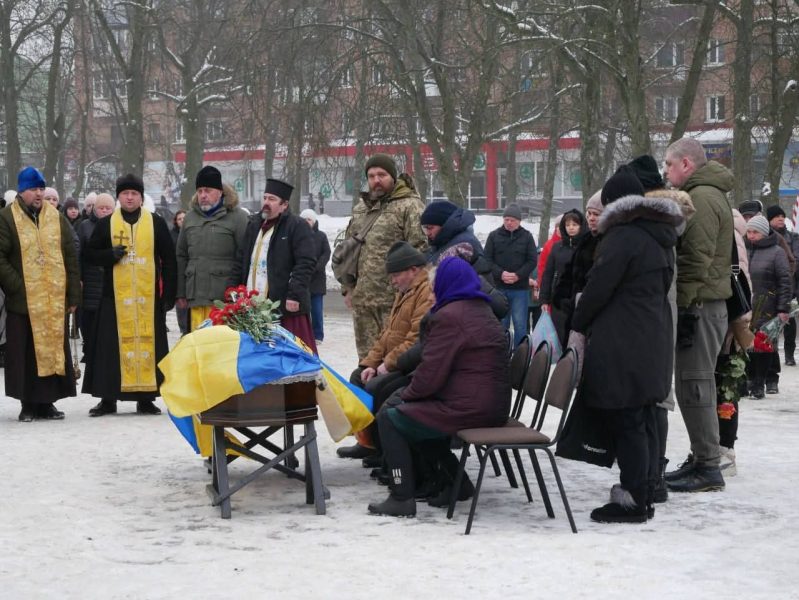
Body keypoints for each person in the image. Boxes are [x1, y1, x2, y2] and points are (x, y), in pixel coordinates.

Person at [571, 165, 684, 523]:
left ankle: (633, 499)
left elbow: (598, 289)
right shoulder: (659, 236)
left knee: (628, 418)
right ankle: (645, 491)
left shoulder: (623, 238)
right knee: (645, 416)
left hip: (624, 341)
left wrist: (578, 321)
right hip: (651, 337)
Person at [367, 256, 510, 518]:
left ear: (447, 284)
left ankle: (401, 496)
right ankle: (457, 483)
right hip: (488, 403)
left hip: (471, 406)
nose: (431, 293)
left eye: (434, 287)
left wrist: (405, 397)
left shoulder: (450, 317)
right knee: (415, 415)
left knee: (392, 418)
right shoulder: (478, 308)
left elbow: (430, 374)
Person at [662, 137, 734, 493]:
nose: (666, 172)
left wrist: (684, 309)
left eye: (669, 165)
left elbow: (695, 259)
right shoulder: (707, 194)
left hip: (700, 306)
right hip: (704, 304)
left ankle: (707, 465)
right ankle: (702, 457)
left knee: (694, 385)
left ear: (686, 165)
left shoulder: (702, 199)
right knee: (695, 383)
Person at [82, 173, 177, 416]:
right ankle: (107, 399)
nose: (130, 197)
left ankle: (146, 398)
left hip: (147, 298)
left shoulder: (155, 222)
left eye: (135, 193)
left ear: (141, 197)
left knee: (149, 346)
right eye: (126, 193)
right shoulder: (106, 224)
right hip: (113, 298)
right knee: (110, 350)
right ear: (119, 197)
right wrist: (109, 255)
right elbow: (90, 254)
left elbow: (169, 259)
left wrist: (169, 294)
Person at [337, 242, 433, 461]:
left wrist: (387, 364)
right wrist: (370, 363)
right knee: (358, 377)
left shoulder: (425, 291)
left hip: (410, 365)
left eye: (397, 274)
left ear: (414, 270)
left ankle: (385, 451)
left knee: (377, 387)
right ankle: (368, 443)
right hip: (395, 360)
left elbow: (416, 339)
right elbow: (387, 333)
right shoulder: (406, 289)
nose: (393, 280)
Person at [0, 167, 80, 421]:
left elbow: (69, 252)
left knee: (52, 350)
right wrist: (18, 286)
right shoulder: (7, 218)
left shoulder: (55, 217)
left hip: (53, 299)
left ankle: (48, 402)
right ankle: (28, 404)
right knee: (25, 354)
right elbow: (1, 257)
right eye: (33, 189)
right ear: (22, 191)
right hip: (23, 301)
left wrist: (72, 294)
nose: (38, 194)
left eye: (41, 189)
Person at [340, 154, 426, 359]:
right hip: (363, 301)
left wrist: (413, 294)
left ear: (393, 177)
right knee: (366, 360)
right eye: (371, 176)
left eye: (382, 174)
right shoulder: (361, 209)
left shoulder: (410, 206)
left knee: (393, 360)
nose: (376, 180)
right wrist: (347, 288)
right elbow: (348, 251)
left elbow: (421, 251)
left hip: (395, 300)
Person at [241, 178, 317, 350]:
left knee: (290, 354)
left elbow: (306, 262)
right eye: (265, 198)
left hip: (284, 305)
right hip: (253, 305)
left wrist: (295, 295)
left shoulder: (297, 226)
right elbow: (242, 259)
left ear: (284, 205)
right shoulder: (253, 225)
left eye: (272, 199)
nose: (266, 203)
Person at [175, 166, 248, 333]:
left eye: (207, 191)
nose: (203, 195)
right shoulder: (190, 218)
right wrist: (180, 293)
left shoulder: (238, 218)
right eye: (199, 191)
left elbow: (243, 257)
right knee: (196, 346)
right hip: (194, 297)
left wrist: (240, 293)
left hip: (223, 299)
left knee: (218, 348)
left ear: (220, 192)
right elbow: (181, 255)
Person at [744, 215, 792, 398]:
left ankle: (760, 382)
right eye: (748, 231)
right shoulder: (745, 250)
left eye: (755, 232)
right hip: (746, 305)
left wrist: (783, 308)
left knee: (762, 345)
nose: (751, 235)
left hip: (768, 305)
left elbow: (784, 281)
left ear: (764, 233)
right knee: (746, 344)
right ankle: (748, 378)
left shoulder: (777, 252)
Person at [484, 203, 538, 348]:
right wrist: (500, 274)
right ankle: (502, 352)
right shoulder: (493, 236)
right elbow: (487, 260)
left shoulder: (527, 237)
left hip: (520, 288)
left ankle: (520, 354)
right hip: (498, 288)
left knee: (520, 324)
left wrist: (518, 275)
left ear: (519, 221)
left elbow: (532, 260)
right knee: (501, 323)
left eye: (512, 220)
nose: (509, 222)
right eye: (506, 219)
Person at [539, 208, 587, 346]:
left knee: (577, 338)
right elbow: (547, 274)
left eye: (574, 225)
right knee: (560, 336)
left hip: (580, 298)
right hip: (559, 299)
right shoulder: (556, 247)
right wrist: (544, 299)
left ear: (581, 226)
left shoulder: (588, 246)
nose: (571, 228)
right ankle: (562, 365)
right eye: (567, 225)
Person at [76, 193, 115, 360]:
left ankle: (103, 350)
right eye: (101, 208)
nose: (104, 211)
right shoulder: (85, 226)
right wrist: (78, 277)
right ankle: (88, 348)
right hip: (90, 277)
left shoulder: (117, 224)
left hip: (108, 277)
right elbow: (78, 253)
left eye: (108, 208)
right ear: (94, 209)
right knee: (89, 315)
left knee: (106, 315)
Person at [766, 204, 799, 366]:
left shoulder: (793, 238)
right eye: (775, 216)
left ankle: (789, 354)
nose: (780, 218)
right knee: (769, 324)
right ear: (769, 220)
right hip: (769, 287)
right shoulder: (764, 237)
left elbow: (796, 259)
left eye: (782, 216)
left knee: (789, 323)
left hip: (789, 286)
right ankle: (771, 357)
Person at [300, 208, 331, 344]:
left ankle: (318, 335)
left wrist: (318, 266)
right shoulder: (298, 236)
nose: (307, 222)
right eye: (304, 219)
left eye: (309, 219)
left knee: (317, 310)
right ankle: (305, 333)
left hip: (317, 280)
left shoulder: (321, 236)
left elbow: (326, 253)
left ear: (314, 221)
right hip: (302, 279)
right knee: (303, 310)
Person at [171, 210, 188, 335]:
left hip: (190, 271)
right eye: (179, 219)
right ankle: (183, 328)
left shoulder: (191, 233)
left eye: (184, 218)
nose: (182, 220)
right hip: (177, 271)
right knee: (181, 302)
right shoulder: (172, 235)